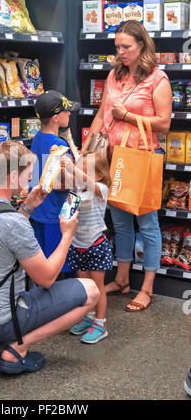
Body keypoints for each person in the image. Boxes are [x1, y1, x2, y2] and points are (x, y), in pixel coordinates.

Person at [0, 140, 100, 374]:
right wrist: (67, 235)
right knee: (91, 290)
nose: (31, 181)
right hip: (2, 319)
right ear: (14, 176)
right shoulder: (12, 223)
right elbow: (46, 279)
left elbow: (0, 238)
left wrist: (27, 208)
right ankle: (19, 349)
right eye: (29, 175)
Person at [81, 20, 172, 312]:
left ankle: (146, 287)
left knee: (147, 224)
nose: (121, 52)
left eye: (126, 47)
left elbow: (164, 124)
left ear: (142, 45)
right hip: (113, 158)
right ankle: (121, 280)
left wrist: (128, 117)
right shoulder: (114, 75)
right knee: (119, 223)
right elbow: (101, 114)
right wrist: (86, 150)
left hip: (141, 157)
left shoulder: (157, 80)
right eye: (117, 47)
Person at [65, 152, 113, 343]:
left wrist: (72, 167)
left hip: (96, 244)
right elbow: (67, 177)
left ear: (100, 175)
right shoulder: (77, 185)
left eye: (86, 171)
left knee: (98, 287)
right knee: (85, 287)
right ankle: (90, 317)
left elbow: (86, 181)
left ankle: (101, 324)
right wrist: (60, 165)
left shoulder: (101, 188)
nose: (80, 174)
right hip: (77, 244)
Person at [29, 90, 77, 272]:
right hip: (55, 215)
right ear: (56, 118)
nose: (69, 113)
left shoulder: (37, 138)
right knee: (56, 267)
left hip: (38, 210)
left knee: (39, 265)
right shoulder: (60, 145)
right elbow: (63, 182)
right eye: (66, 111)